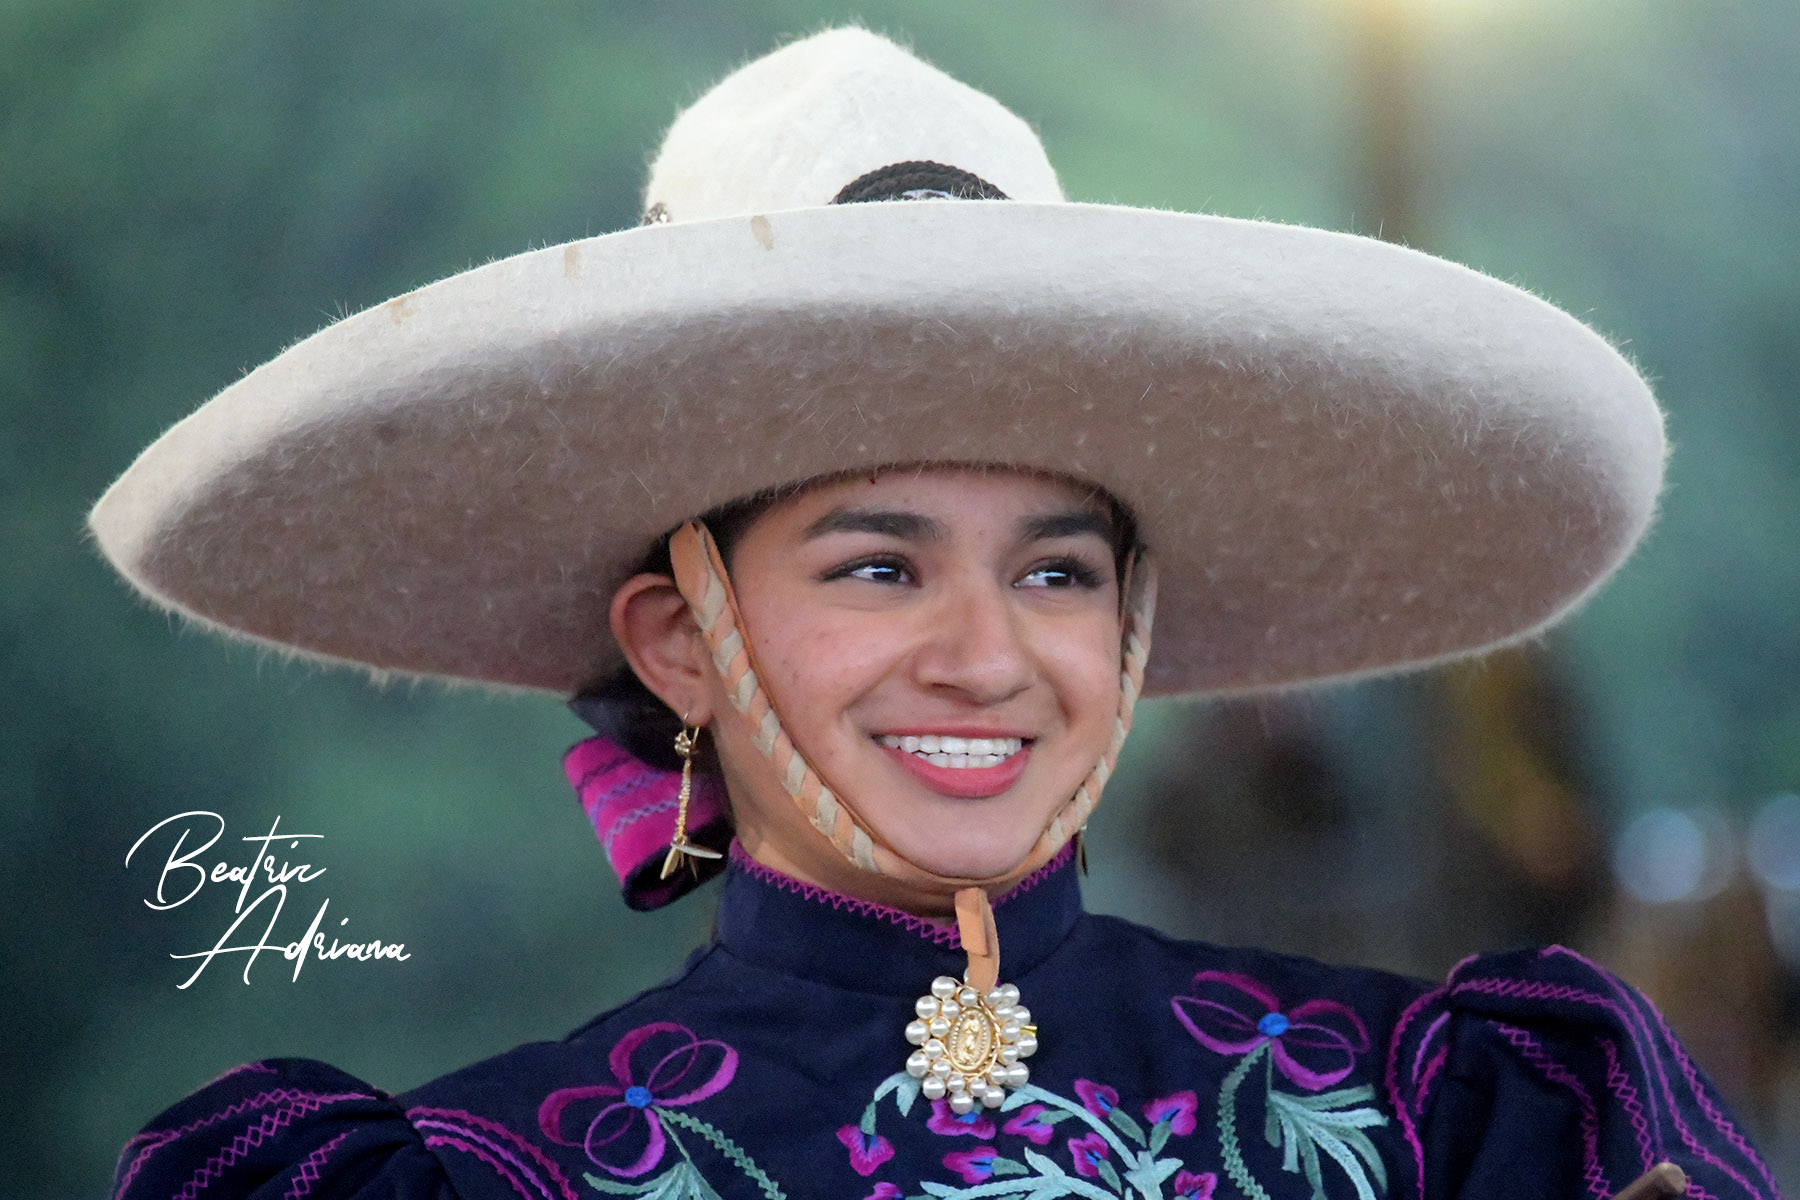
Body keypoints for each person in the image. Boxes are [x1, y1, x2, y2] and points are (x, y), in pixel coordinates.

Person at [93, 27, 1777, 1200]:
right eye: (880, 567)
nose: (986, 657)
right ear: (679, 639)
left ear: (1130, 624)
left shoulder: (1464, 1120)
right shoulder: (480, 1178)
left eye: (1056, 572)